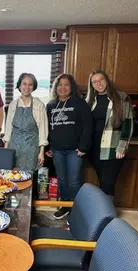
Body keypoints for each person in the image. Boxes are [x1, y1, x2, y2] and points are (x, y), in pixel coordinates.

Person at [47, 74, 92, 219]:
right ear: (56, 87)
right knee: (62, 180)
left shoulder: (79, 103)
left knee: (73, 181)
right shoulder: (51, 105)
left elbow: (88, 126)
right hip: (57, 150)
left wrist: (83, 147)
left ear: (71, 87)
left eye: (66, 85)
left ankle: (75, 208)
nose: (63, 88)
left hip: (74, 150)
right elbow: (46, 128)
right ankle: (64, 206)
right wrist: (49, 146)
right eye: (60, 85)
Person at [86, 69, 133, 199]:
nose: (98, 84)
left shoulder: (121, 97)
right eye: (94, 82)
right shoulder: (90, 100)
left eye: (101, 80)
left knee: (108, 183)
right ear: (91, 85)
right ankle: (104, 212)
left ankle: (108, 215)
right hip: (95, 148)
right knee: (102, 181)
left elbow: (128, 124)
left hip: (113, 148)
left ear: (106, 80)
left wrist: (122, 147)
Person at [4, 73, 48, 172]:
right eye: (24, 84)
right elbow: (8, 130)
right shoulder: (13, 105)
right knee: (11, 177)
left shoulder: (39, 105)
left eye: (30, 84)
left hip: (31, 149)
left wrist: (41, 152)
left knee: (28, 179)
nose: (27, 87)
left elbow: (42, 130)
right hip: (14, 148)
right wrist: (6, 151)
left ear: (33, 87)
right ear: (19, 85)